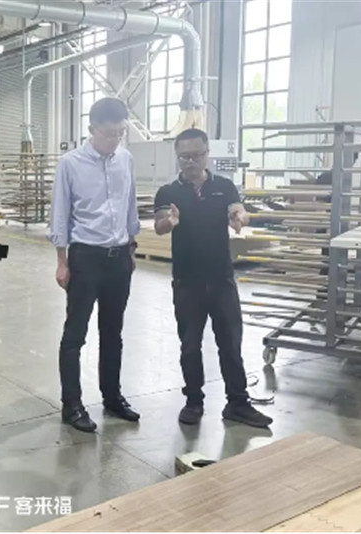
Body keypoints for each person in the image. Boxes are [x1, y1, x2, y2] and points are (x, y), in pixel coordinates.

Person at [154, 128, 272, 429]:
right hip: (187, 281)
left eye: (196, 155)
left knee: (230, 343)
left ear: (207, 154)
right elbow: (159, 227)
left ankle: (238, 403)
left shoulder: (224, 186)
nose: (190, 161)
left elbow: (237, 210)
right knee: (190, 345)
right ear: (177, 157)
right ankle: (194, 401)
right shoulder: (168, 192)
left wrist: (239, 217)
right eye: (184, 156)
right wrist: (170, 221)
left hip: (221, 278)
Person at [47, 97, 141, 433]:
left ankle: (112, 397)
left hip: (119, 258)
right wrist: (62, 261)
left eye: (120, 133)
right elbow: (60, 213)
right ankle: (71, 405)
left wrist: (132, 248)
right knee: (75, 334)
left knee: (113, 333)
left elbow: (130, 205)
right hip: (85, 258)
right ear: (92, 129)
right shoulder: (70, 163)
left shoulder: (125, 159)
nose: (114, 140)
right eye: (108, 134)